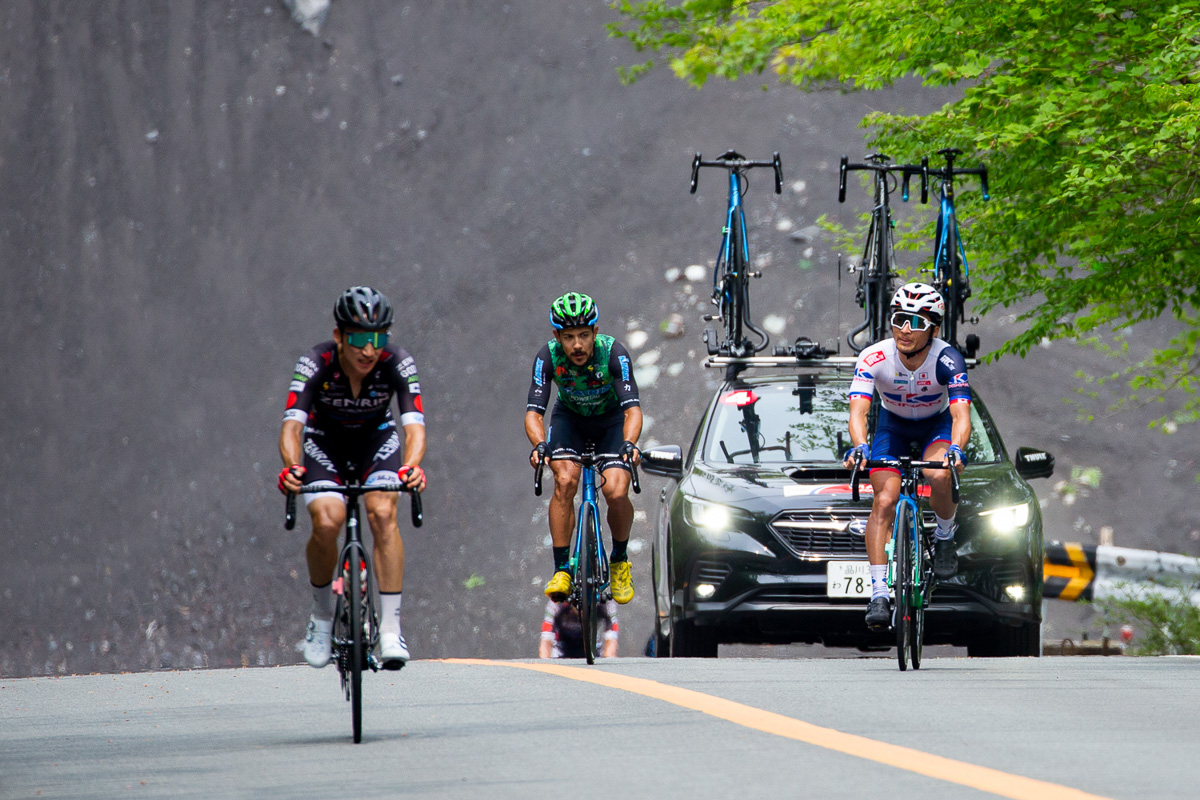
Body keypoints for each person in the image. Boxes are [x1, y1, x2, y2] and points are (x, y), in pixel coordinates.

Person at [277, 286, 427, 669]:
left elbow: (414, 428)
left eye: (377, 339)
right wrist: (293, 467)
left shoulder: (398, 362)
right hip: (324, 443)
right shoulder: (314, 362)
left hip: (376, 442)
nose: (368, 350)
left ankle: (391, 629)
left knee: (382, 512)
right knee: (328, 520)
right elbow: (293, 428)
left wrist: (410, 467)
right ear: (340, 336)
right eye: (359, 338)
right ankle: (322, 617)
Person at [842, 282, 971, 631]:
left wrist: (956, 449)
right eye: (899, 320)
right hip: (892, 428)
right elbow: (859, 413)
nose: (905, 330)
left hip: (936, 427)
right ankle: (879, 593)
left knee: (939, 475)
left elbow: (961, 417)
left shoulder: (947, 359)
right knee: (884, 499)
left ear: (933, 328)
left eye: (916, 323)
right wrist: (859, 446)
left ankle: (944, 537)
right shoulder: (874, 357)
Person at [525, 291, 642, 605]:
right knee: (564, 480)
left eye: (584, 335)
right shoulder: (547, 356)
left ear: (596, 332)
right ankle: (562, 569)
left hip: (612, 421)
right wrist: (540, 446)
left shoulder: (614, 353)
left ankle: (618, 560)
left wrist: (629, 444)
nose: (577, 345)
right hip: (570, 420)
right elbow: (534, 413)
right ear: (557, 337)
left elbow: (632, 410)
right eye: (569, 337)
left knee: (616, 490)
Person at [538, 598, 619, 659]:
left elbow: (611, 643)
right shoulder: (557, 603)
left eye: (588, 608)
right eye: (578, 608)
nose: (583, 613)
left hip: (591, 645)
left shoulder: (606, 603)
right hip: (563, 646)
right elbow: (546, 641)